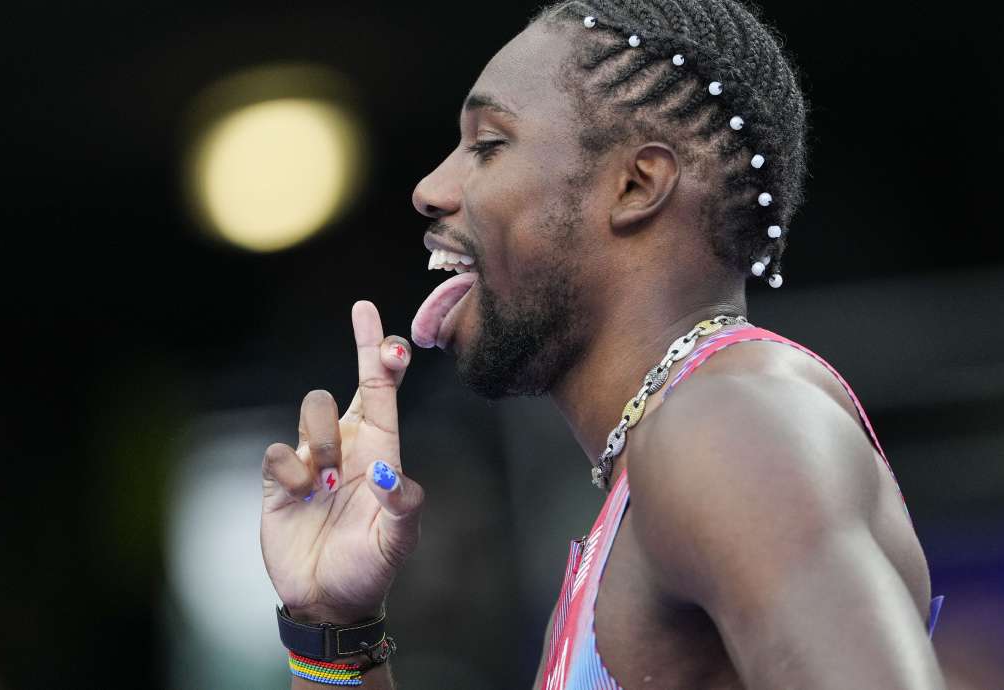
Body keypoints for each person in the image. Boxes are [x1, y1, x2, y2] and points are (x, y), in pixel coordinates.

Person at [260, 1, 946, 687]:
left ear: (635, 185)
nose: (430, 189)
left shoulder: (731, 425)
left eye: (488, 144)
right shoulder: (666, 460)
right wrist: (331, 630)